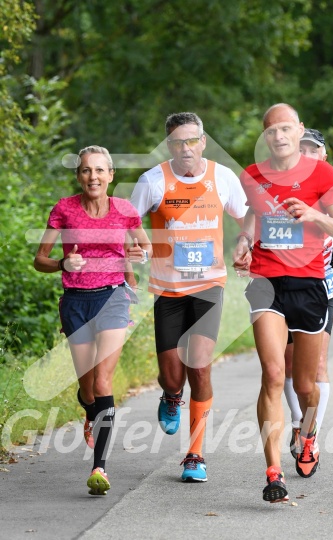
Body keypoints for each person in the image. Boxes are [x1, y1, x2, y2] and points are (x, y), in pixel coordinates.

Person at [233, 103, 333, 503]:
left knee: (305, 385)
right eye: (271, 131)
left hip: (309, 285)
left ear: (298, 130)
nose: (279, 136)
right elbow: (251, 213)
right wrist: (245, 240)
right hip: (267, 282)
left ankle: (309, 430)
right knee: (271, 373)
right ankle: (273, 472)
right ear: (265, 137)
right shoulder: (252, 175)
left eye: (286, 129)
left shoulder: (323, 173)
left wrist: (314, 217)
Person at [131, 112, 246, 482]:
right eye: (178, 142)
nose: (186, 148)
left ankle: (195, 454)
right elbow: (127, 224)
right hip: (168, 289)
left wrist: (246, 242)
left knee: (200, 366)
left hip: (209, 286)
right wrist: (138, 253)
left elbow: (250, 216)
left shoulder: (222, 178)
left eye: (191, 141)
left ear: (203, 142)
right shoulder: (153, 181)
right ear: (169, 145)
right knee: (172, 377)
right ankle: (170, 397)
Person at [34, 145, 152, 495]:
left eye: (100, 170)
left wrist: (139, 254)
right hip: (75, 303)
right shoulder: (64, 209)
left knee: (103, 382)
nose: (93, 177)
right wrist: (61, 264)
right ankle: (88, 408)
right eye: (86, 171)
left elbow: (148, 249)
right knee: (88, 389)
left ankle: (100, 467)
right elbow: (40, 258)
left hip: (114, 297)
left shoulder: (125, 211)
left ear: (111, 175)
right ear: (79, 176)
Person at [284, 128, 333, 457]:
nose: (307, 154)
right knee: (288, 366)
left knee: (316, 365)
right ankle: (299, 421)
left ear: (324, 156)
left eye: (313, 150)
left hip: (321, 282)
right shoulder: (282, 185)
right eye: (302, 149)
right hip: (282, 282)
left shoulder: (332, 187)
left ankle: (309, 439)